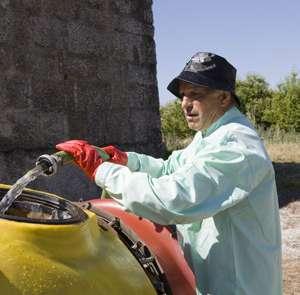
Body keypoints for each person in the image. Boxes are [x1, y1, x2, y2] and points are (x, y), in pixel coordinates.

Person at [56, 52, 282, 295]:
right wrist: (126, 160)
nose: (185, 103)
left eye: (196, 95)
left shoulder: (237, 146)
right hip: (217, 280)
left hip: (241, 287)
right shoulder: (210, 135)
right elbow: (170, 169)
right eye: (183, 95)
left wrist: (101, 170)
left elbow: (174, 199)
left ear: (224, 97)